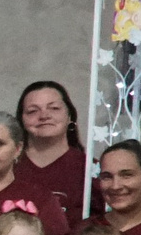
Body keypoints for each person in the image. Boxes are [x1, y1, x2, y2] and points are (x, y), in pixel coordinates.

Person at [14, 81, 88, 218]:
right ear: (21, 120)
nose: (44, 116)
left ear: (70, 116)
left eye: (54, 108)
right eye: (33, 111)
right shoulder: (6, 167)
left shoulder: (90, 169)